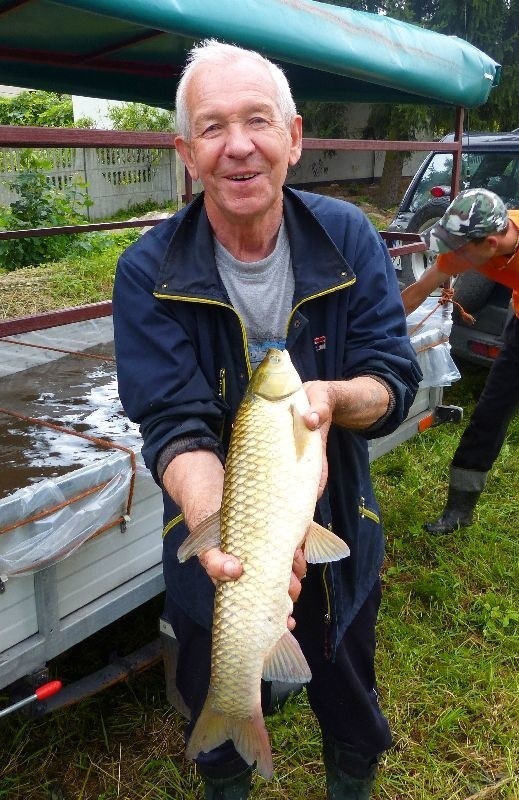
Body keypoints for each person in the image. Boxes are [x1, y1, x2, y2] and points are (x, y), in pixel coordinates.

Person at [113, 39, 421, 800]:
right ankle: (228, 759)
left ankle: (349, 775)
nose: (239, 146)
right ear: (187, 152)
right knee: (218, 671)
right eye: (213, 128)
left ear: (295, 136)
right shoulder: (146, 270)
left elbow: (392, 381)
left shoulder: (348, 235)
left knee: (348, 693)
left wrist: (334, 399)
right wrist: (229, 536)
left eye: (257, 121)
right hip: (210, 533)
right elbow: (174, 426)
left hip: (339, 525)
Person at [401, 188, 519, 534]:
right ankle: (459, 510)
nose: (452, 258)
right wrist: (377, 334)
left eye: (458, 250)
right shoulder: (469, 246)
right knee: (491, 411)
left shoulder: (479, 246)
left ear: (490, 246)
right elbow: (417, 293)